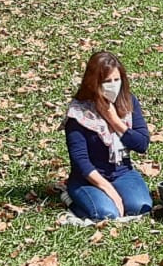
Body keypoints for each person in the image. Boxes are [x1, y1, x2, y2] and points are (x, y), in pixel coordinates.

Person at [63, 50, 154, 221]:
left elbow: (141, 144)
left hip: (122, 172)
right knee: (107, 215)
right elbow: (80, 160)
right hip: (88, 179)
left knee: (141, 208)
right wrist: (109, 189)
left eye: (117, 80)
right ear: (94, 83)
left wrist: (115, 121)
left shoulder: (128, 101)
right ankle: (71, 200)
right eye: (107, 82)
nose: (113, 86)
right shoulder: (78, 113)